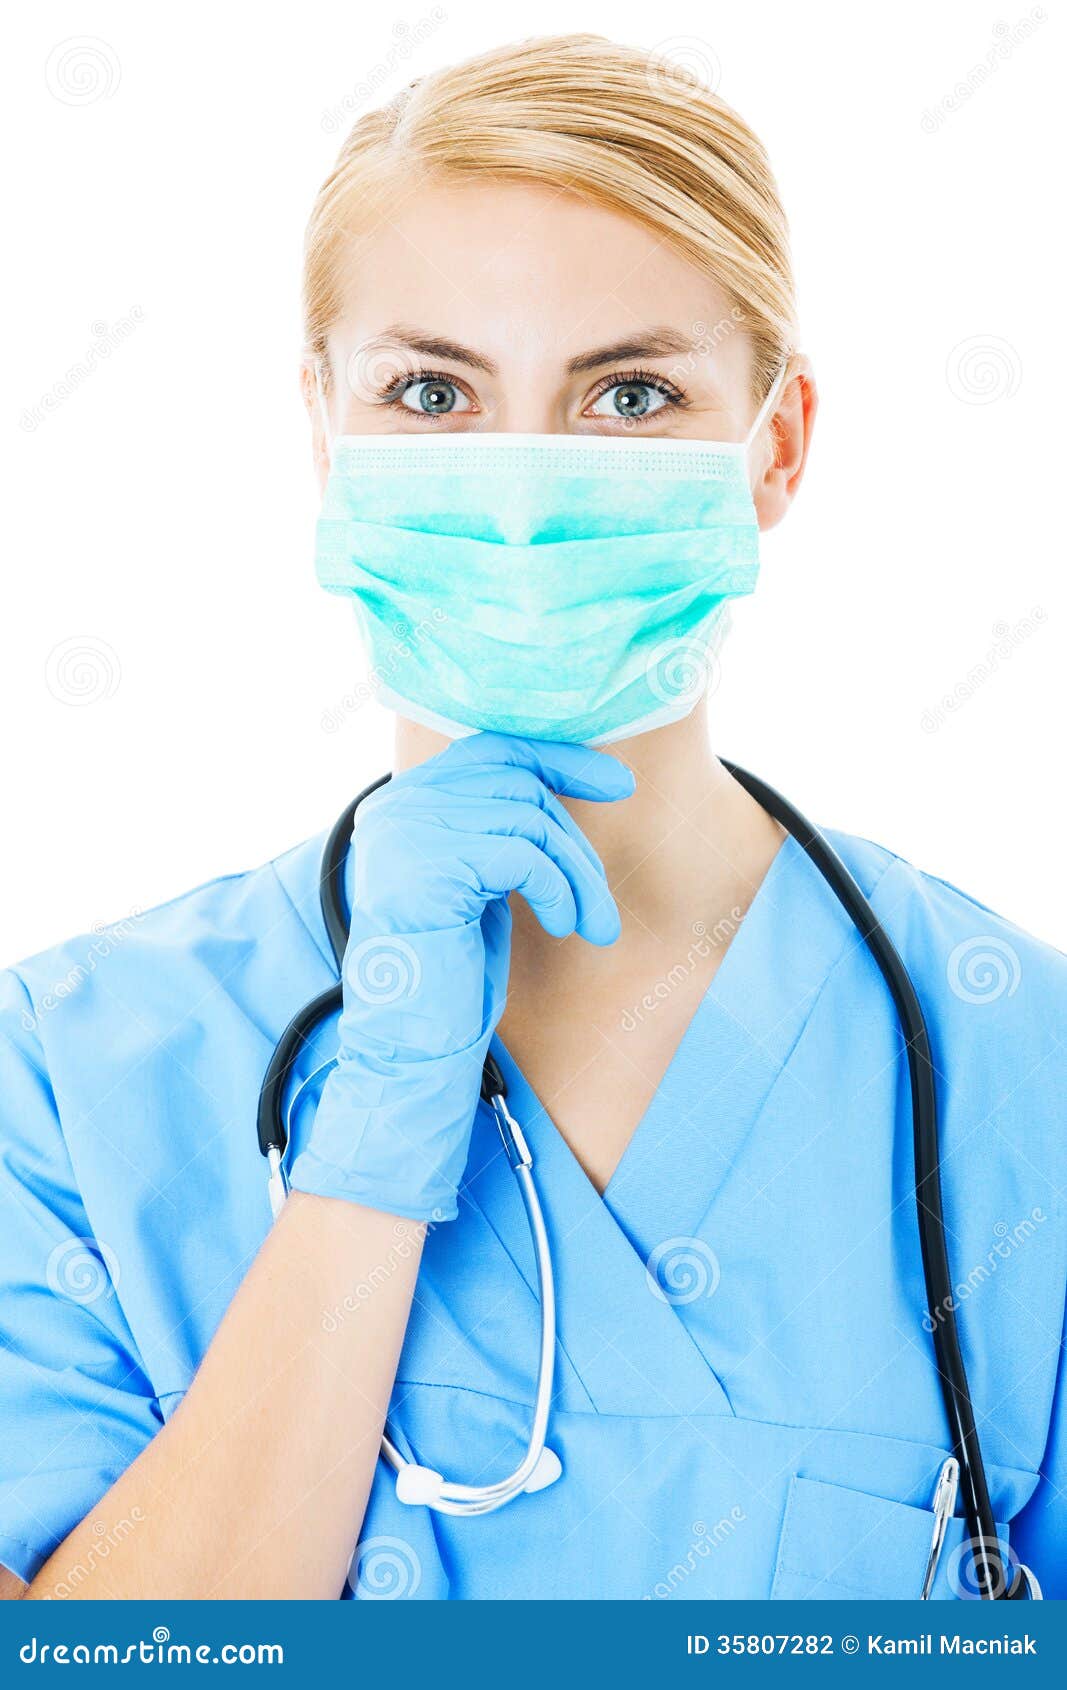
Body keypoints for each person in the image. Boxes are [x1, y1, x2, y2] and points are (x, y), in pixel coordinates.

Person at [1, 34, 1063, 1602]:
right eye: (432, 391)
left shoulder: (1011, 1058)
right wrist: (370, 1145)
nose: (518, 490)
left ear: (774, 447)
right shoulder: (76, 1065)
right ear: (323, 428)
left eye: (629, 394)